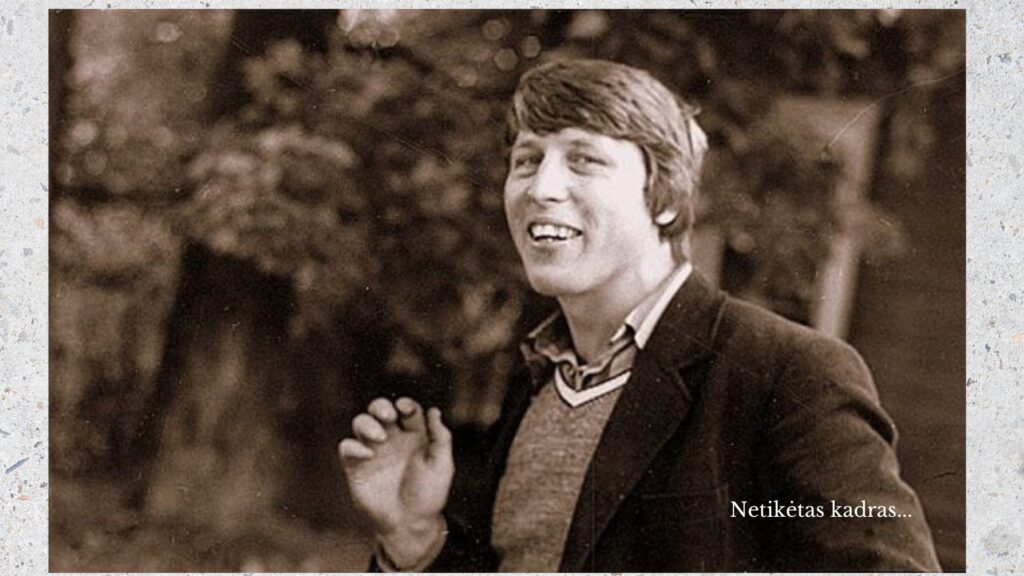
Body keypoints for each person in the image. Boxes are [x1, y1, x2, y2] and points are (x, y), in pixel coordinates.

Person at [338, 58, 941, 572]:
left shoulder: (787, 373)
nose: (541, 187)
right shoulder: (539, 380)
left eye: (584, 160)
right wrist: (414, 537)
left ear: (664, 199)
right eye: (527, 160)